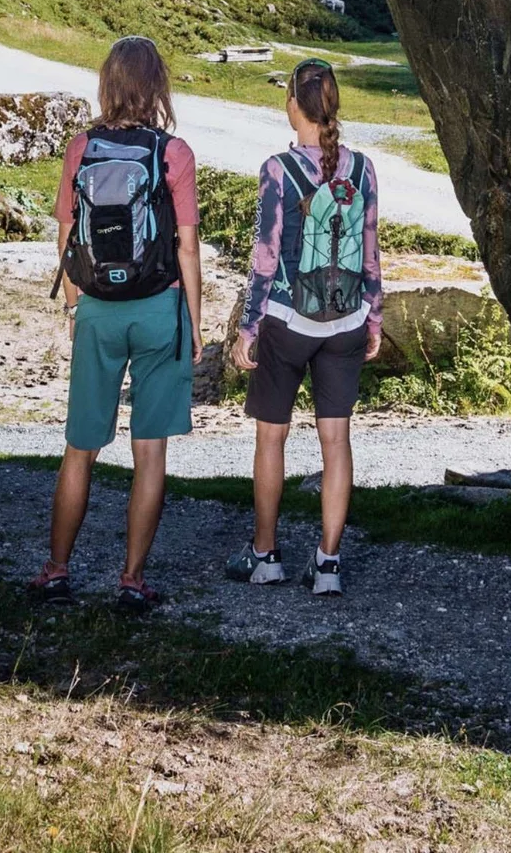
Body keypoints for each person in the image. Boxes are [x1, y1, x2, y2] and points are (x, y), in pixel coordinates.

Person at [34, 36, 204, 611]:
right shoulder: (174, 153)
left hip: (98, 311)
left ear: (108, 83)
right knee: (149, 451)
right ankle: (131, 580)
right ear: (158, 87)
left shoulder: (82, 147)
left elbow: (66, 233)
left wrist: (75, 303)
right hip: (160, 308)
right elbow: (187, 247)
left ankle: (57, 571)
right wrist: (195, 322)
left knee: (80, 448)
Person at [226, 58, 382, 596]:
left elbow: (266, 256)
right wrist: (374, 315)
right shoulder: (363, 169)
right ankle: (328, 563)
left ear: (293, 105)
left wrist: (248, 327)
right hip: (346, 321)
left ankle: (265, 555)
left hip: (289, 322)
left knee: (272, 437)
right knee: (336, 440)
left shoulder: (278, 169)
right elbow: (370, 249)